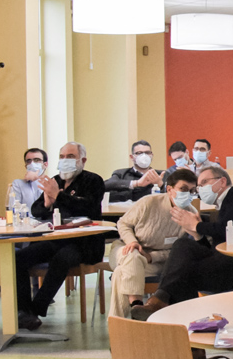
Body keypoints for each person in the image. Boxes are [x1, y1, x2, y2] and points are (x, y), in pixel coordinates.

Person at [135, 166, 233, 317]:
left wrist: (197, 225)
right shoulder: (222, 205)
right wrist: (197, 235)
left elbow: (230, 229)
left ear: (222, 181)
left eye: (204, 182)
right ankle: (162, 302)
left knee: (184, 272)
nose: (201, 188)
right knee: (183, 245)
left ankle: (166, 309)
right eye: (199, 186)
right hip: (228, 259)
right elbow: (217, 247)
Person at [13, 142, 107, 331]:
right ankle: (24, 311)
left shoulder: (94, 180)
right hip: (58, 239)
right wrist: (47, 203)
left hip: (85, 243)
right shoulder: (55, 181)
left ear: (83, 160)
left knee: (62, 258)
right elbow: (36, 210)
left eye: (70, 156)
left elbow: (89, 207)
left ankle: (36, 308)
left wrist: (58, 196)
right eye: (62, 156)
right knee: (18, 258)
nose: (65, 160)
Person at [109, 168, 197, 318]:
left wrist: (152, 257)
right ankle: (136, 305)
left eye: (192, 190)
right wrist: (132, 242)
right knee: (132, 256)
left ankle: (120, 322)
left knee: (120, 273)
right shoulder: (148, 202)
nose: (188, 194)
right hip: (124, 249)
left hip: (156, 261)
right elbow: (123, 224)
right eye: (183, 189)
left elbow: (180, 251)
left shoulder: (191, 214)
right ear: (169, 189)